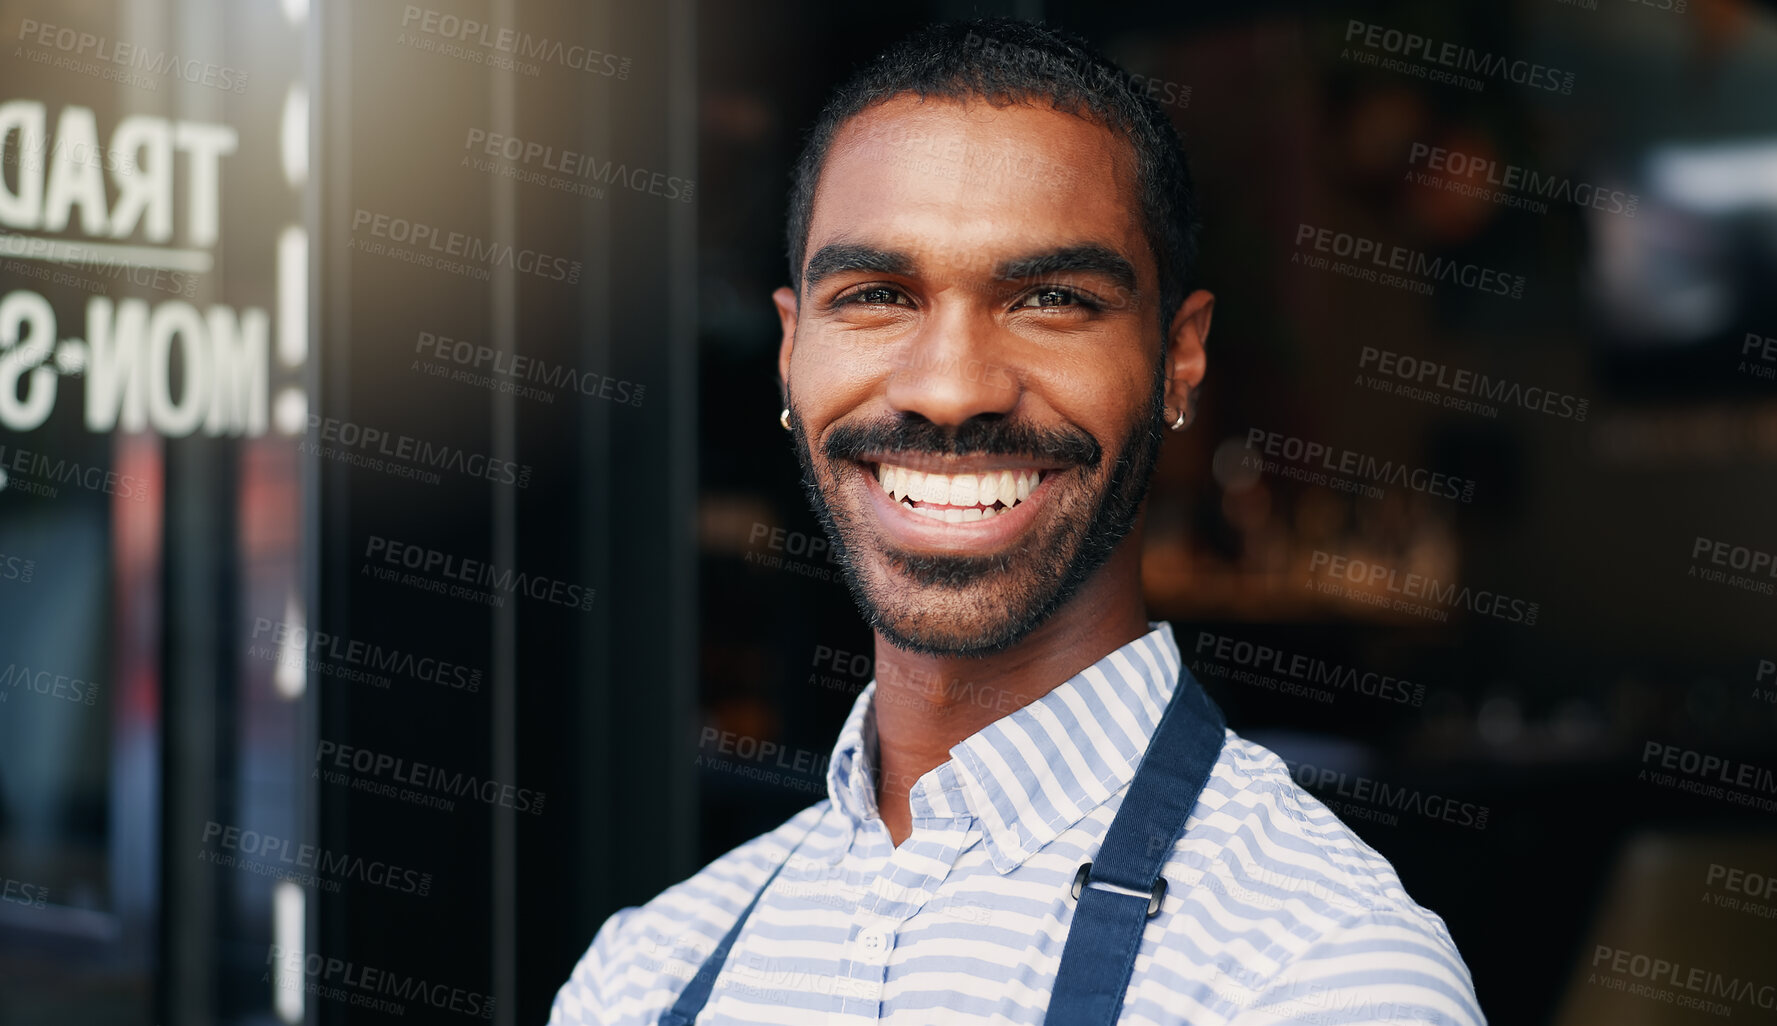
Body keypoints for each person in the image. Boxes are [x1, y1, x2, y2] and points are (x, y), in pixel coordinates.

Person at [551, 17, 1484, 1026]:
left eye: (1048, 298)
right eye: (875, 295)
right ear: (790, 353)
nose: (950, 389)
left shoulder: (1320, 972)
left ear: (1178, 360)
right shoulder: (643, 975)